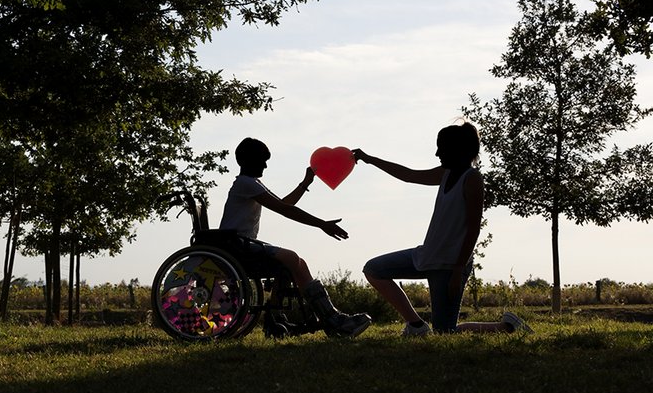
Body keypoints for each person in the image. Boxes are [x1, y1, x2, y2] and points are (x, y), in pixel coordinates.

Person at [353, 121, 531, 335]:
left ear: (457, 150)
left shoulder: (472, 178)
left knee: (444, 333)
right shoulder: (444, 174)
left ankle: (507, 326)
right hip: (428, 255)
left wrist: (457, 270)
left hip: (449, 265)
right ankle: (416, 325)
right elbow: (409, 175)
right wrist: (369, 159)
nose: (437, 153)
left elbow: (473, 228)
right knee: (373, 269)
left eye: (442, 148)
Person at [219, 137, 371, 338]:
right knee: (291, 258)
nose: (265, 165)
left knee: (298, 263)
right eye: (262, 160)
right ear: (247, 161)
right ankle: (329, 319)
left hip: (242, 244)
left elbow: (284, 204)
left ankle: (316, 317)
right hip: (237, 246)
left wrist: (305, 183)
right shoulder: (247, 184)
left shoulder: (251, 183)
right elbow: (285, 210)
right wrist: (322, 224)